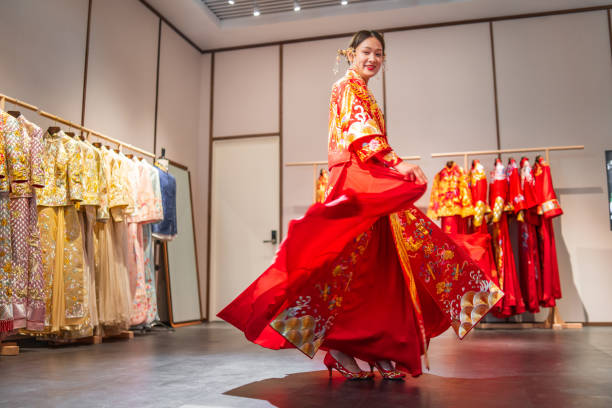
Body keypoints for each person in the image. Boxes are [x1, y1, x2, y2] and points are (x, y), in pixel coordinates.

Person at [218, 30, 502, 381]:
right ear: (351, 53)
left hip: (370, 176)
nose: (373, 59)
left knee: (385, 264)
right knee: (345, 267)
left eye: (379, 54)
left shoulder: (363, 91)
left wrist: (389, 165)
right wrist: (396, 161)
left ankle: (380, 347)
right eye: (367, 51)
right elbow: (359, 130)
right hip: (354, 179)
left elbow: (367, 133)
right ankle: (339, 346)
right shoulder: (346, 86)